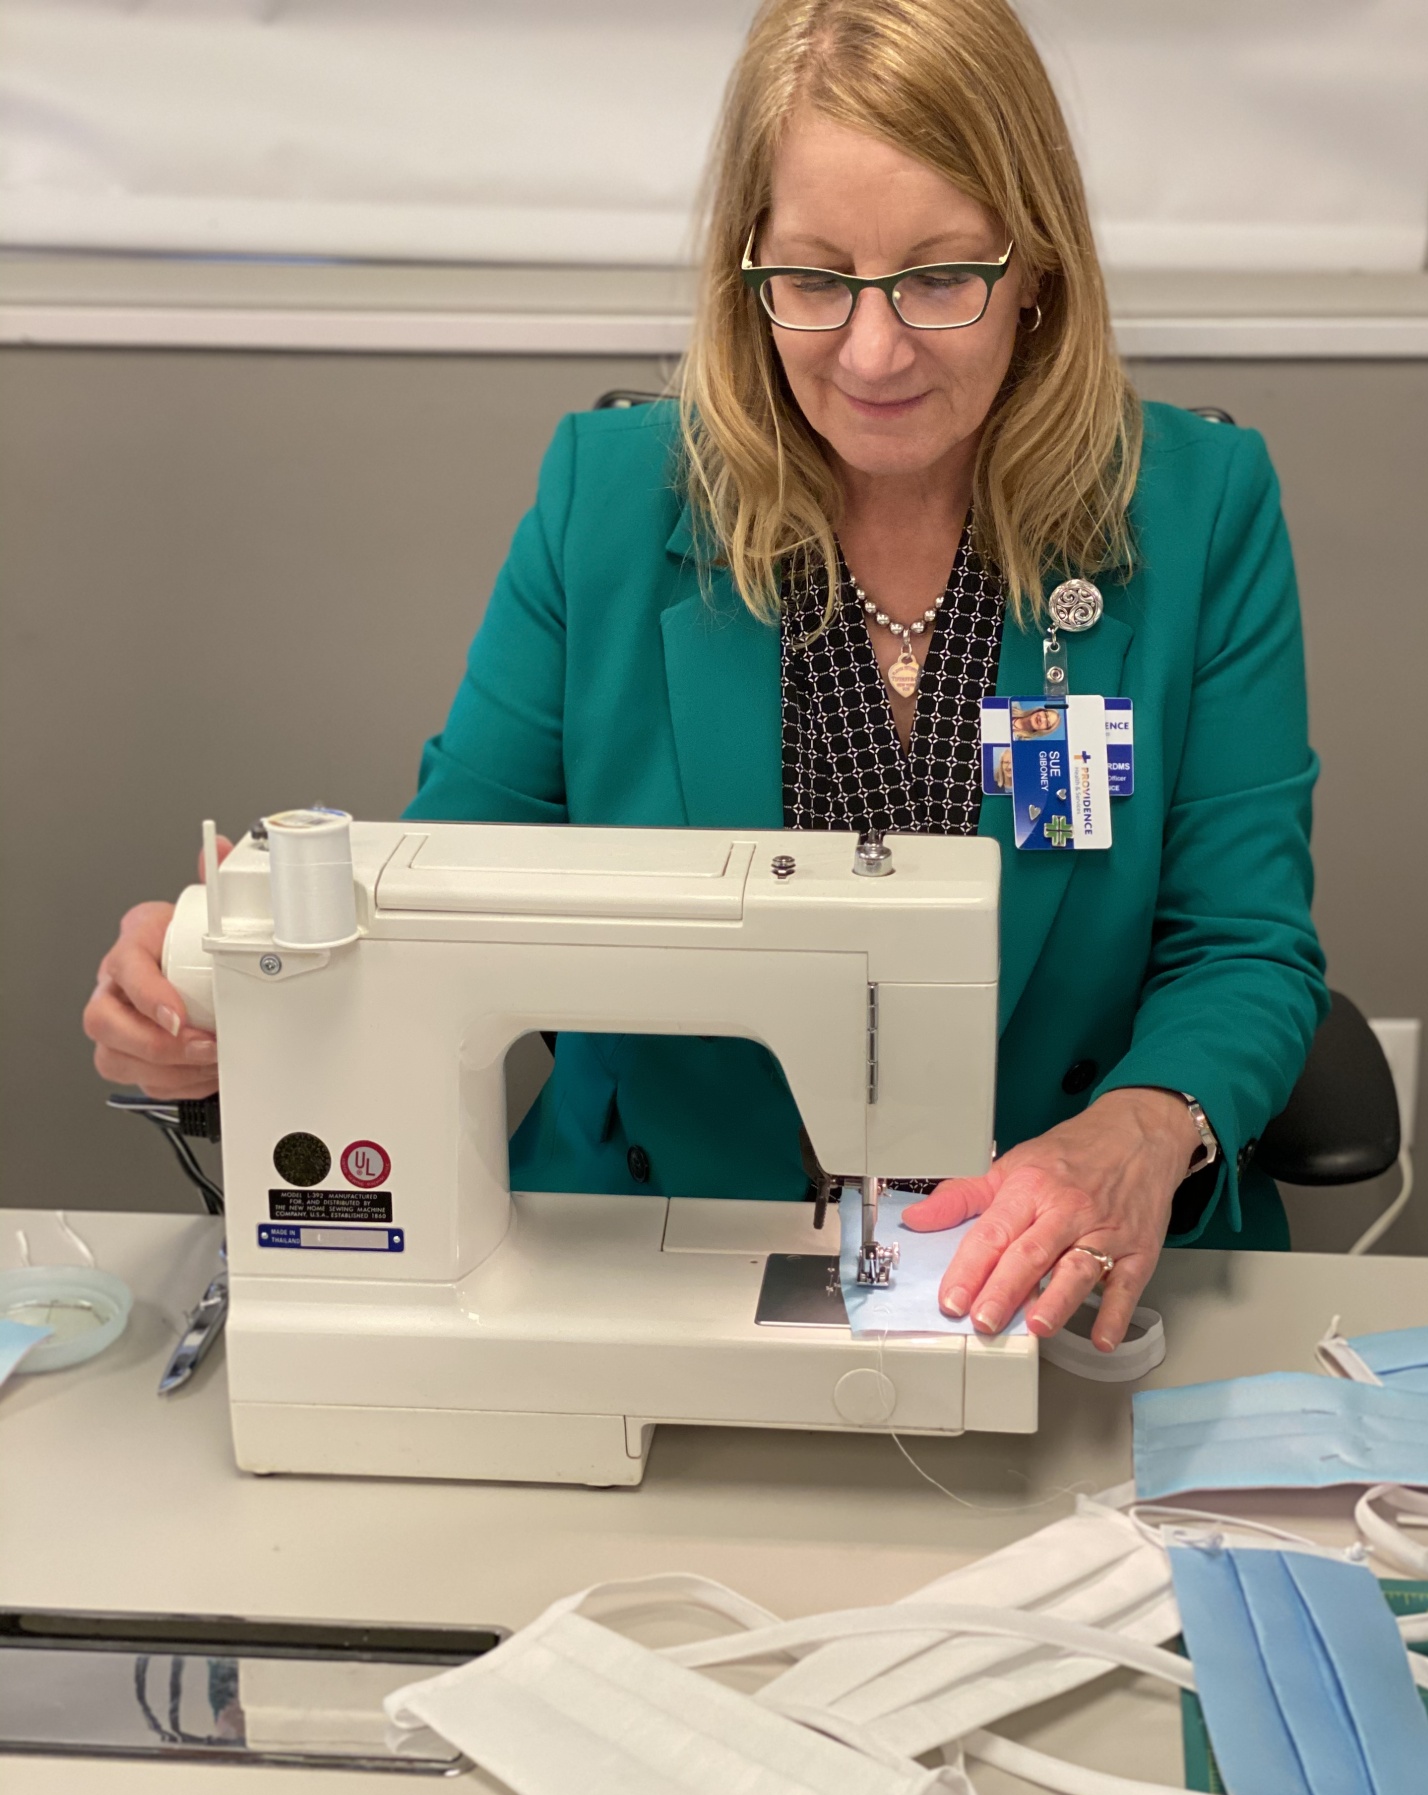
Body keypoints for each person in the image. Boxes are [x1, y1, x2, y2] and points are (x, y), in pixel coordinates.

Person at [83, 0, 1326, 1355]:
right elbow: (443, 889)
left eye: (937, 278)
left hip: (1066, 1283)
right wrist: (236, 1007)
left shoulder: (1194, 513)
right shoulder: (612, 504)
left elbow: (1244, 947)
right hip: (640, 1245)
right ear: (748, 265)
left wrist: (1140, 1131)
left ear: (1036, 267)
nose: (871, 352)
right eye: (813, 277)